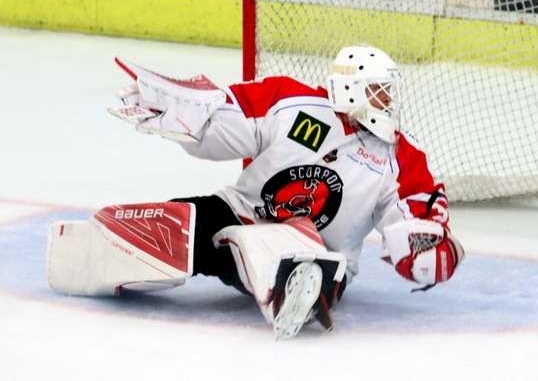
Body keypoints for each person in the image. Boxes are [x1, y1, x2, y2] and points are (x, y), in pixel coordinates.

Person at [46, 44, 464, 340]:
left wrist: (427, 251)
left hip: (320, 252)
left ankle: (299, 284)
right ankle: (97, 250)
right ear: (351, 89)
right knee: (177, 225)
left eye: (388, 91)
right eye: (378, 90)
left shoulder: (400, 157)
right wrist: (195, 120)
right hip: (242, 212)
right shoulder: (291, 102)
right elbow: (227, 125)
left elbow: (418, 222)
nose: (387, 100)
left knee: (299, 257)